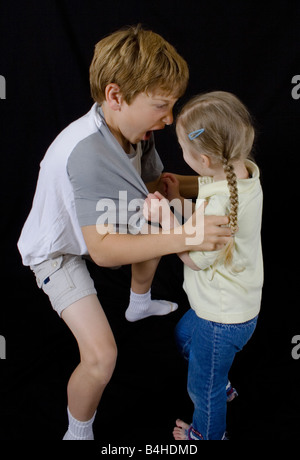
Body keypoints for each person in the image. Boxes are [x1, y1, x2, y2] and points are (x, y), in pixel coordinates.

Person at [17, 26, 231, 441]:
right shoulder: (87, 154)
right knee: (102, 358)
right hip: (60, 252)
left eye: (173, 106)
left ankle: (138, 303)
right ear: (115, 97)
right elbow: (102, 252)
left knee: (158, 211)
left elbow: (159, 186)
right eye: (161, 106)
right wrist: (188, 236)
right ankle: (76, 433)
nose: (170, 119)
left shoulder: (136, 131)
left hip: (106, 216)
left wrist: (227, 180)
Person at [144, 91, 263, 440]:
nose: (181, 157)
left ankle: (207, 434)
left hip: (221, 318)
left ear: (206, 159)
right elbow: (200, 225)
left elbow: (193, 258)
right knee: (183, 337)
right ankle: (219, 377)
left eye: (184, 150)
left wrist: (165, 217)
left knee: (202, 390)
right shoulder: (243, 176)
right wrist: (180, 200)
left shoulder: (220, 204)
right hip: (227, 306)